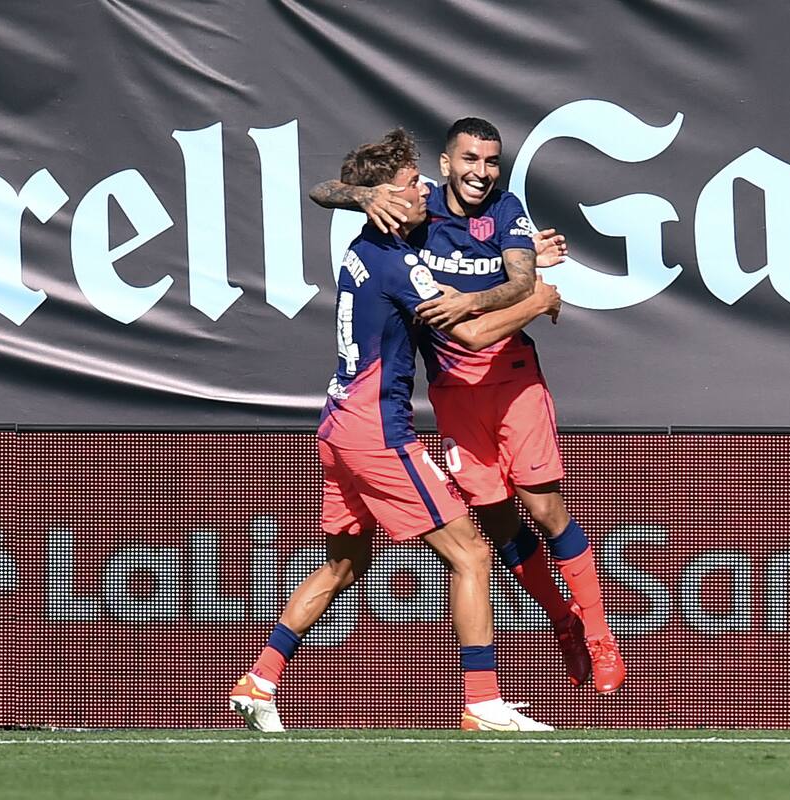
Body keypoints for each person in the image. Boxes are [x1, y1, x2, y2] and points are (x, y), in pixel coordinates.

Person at [230, 129, 562, 732]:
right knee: (471, 554)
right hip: (375, 432)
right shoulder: (398, 263)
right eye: (414, 185)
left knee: (342, 565)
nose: (425, 193)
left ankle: (261, 678)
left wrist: (518, 257)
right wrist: (537, 300)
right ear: (388, 195)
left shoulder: (363, 246)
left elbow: (332, 194)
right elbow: (472, 334)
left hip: (334, 424)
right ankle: (481, 702)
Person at [309, 118, 625, 694]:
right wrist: (361, 193)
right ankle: (563, 622)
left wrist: (483, 295)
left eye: (491, 161)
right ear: (445, 165)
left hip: (513, 382)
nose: (482, 172)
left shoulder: (505, 209)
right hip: (452, 393)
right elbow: (321, 191)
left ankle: (601, 637)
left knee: (545, 508)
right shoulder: (417, 213)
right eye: (470, 160)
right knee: (499, 520)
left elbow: (520, 280)